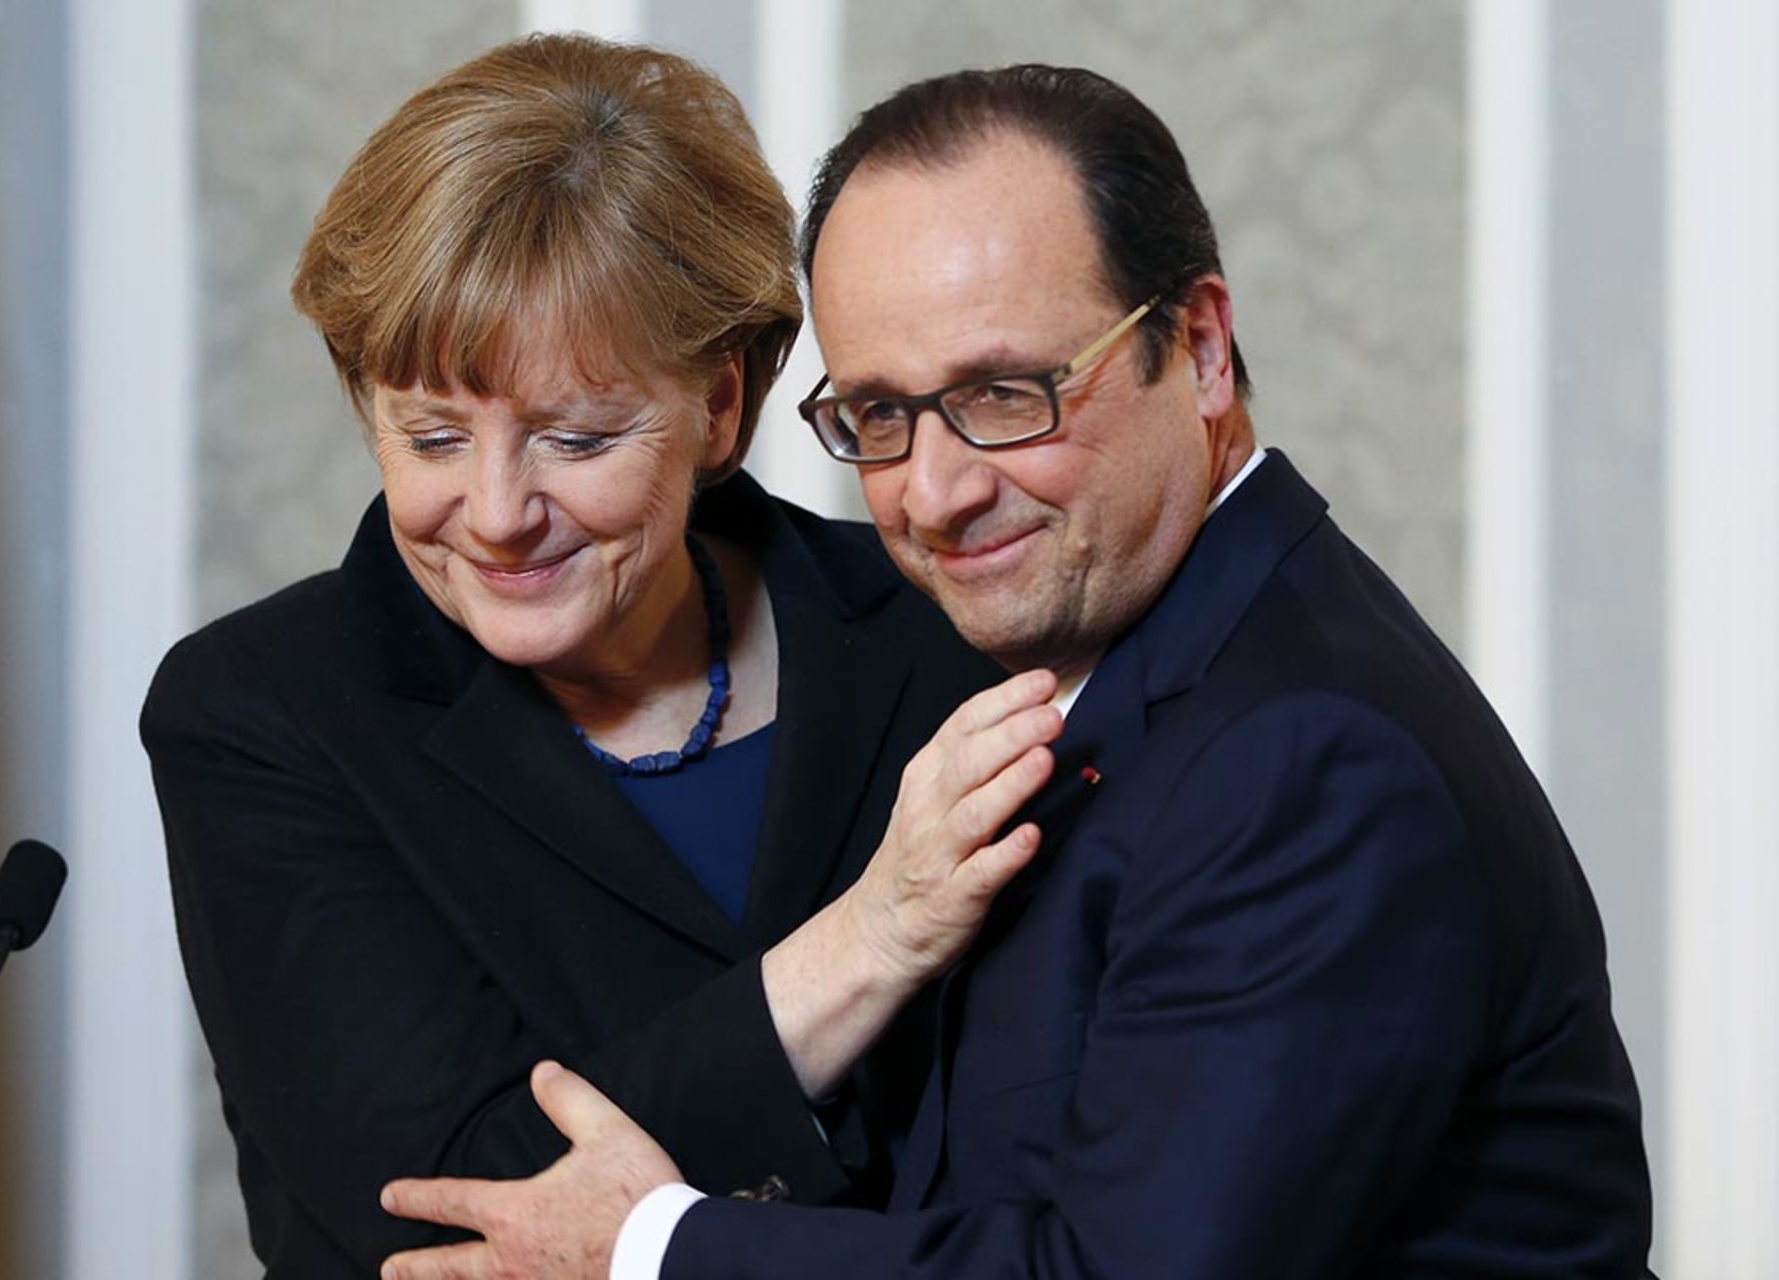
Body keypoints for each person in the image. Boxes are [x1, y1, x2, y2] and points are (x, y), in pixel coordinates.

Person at [375, 64, 1654, 1279]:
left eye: (1005, 393)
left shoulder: (1301, 752)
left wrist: (653, 1247)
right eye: (879, 415)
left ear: (1200, 346)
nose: (936, 490)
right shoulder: (1115, 667)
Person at [140, 36, 1060, 1278]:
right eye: (432, 436)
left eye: (574, 438)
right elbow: (451, 1212)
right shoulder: (263, 712)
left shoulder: (939, 637)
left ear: (721, 406)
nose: (498, 509)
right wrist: (873, 938)